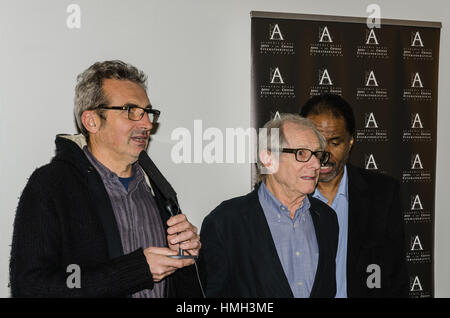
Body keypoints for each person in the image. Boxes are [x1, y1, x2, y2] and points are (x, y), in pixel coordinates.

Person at [10, 60, 202, 298]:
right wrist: (135, 271)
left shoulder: (159, 189)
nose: (147, 124)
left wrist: (184, 258)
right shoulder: (51, 185)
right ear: (91, 121)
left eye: (147, 112)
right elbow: (31, 287)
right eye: (131, 111)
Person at [199, 114, 339, 298]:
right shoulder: (226, 222)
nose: (315, 164)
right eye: (302, 154)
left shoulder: (326, 217)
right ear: (268, 159)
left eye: (318, 155)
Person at [300, 93, 409, 297]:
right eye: (316, 142)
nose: (325, 155)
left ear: (350, 142)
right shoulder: (287, 195)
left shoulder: (383, 194)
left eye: (335, 142)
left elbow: (396, 276)